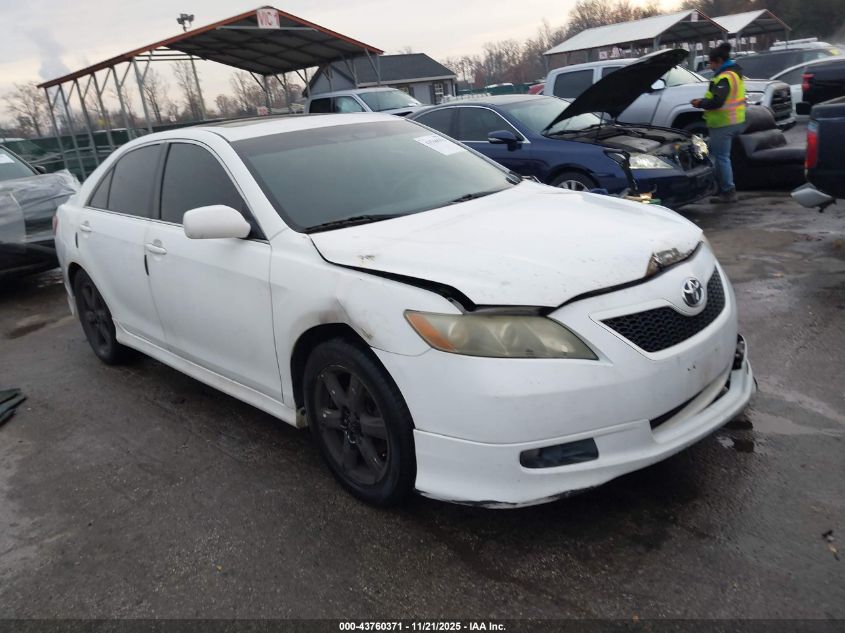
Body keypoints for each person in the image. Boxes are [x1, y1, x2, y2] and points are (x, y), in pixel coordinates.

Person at [690, 42, 746, 203]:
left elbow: (717, 102)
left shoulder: (724, 77)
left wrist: (700, 103)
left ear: (719, 61)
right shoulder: (734, 74)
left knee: (721, 157)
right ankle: (721, 187)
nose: (710, 66)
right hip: (735, 121)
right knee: (719, 155)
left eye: (711, 62)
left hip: (724, 123)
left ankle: (728, 191)